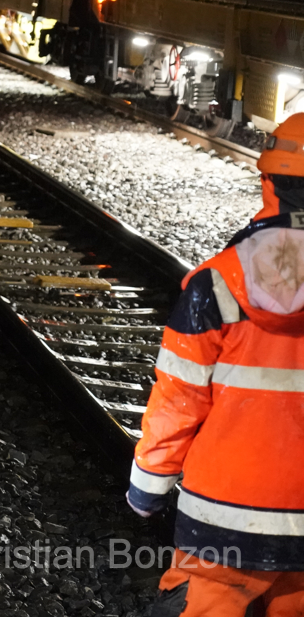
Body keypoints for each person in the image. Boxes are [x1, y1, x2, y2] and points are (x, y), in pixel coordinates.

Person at [127, 114, 304, 616]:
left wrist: (149, 485)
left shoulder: (217, 283)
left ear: (267, 180)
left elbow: (178, 397)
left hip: (224, 519)